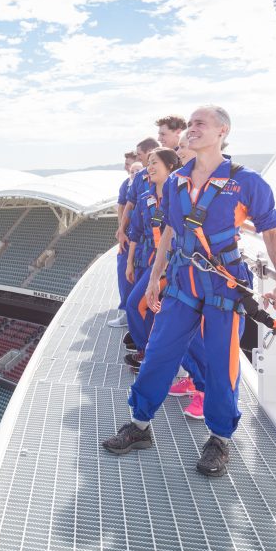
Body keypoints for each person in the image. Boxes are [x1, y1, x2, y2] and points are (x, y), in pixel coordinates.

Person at [102, 105, 276, 477]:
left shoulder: (247, 182)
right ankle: (140, 426)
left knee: (222, 367)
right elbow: (172, 235)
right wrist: (156, 278)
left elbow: (270, 230)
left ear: (221, 131)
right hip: (180, 285)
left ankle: (219, 439)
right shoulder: (176, 182)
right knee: (158, 355)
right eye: (189, 124)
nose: (191, 129)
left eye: (199, 124)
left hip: (223, 288)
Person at [122, 148, 207, 419]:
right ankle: (155, 358)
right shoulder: (149, 196)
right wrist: (130, 261)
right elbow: (137, 230)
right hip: (158, 262)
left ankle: (201, 387)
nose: (148, 168)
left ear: (172, 166)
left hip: (183, 267)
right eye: (147, 163)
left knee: (184, 333)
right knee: (145, 311)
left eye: (154, 163)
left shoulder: (186, 193)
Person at [109, 156, 141, 327]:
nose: (134, 173)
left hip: (143, 238)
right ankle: (127, 312)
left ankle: (134, 314)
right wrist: (121, 229)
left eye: (137, 170)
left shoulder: (148, 185)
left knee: (138, 274)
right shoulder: (127, 185)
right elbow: (122, 206)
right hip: (129, 237)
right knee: (124, 272)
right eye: (131, 170)